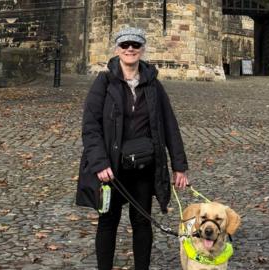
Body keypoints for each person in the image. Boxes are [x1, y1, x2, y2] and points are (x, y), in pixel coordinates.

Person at [80, 27, 189, 270]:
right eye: (125, 44)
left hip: (143, 167)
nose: (130, 48)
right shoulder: (104, 82)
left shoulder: (153, 85)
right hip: (111, 168)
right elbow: (90, 126)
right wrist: (100, 163)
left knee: (142, 221)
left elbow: (170, 125)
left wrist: (179, 166)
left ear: (142, 49)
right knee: (108, 222)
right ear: (117, 49)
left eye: (135, 45)